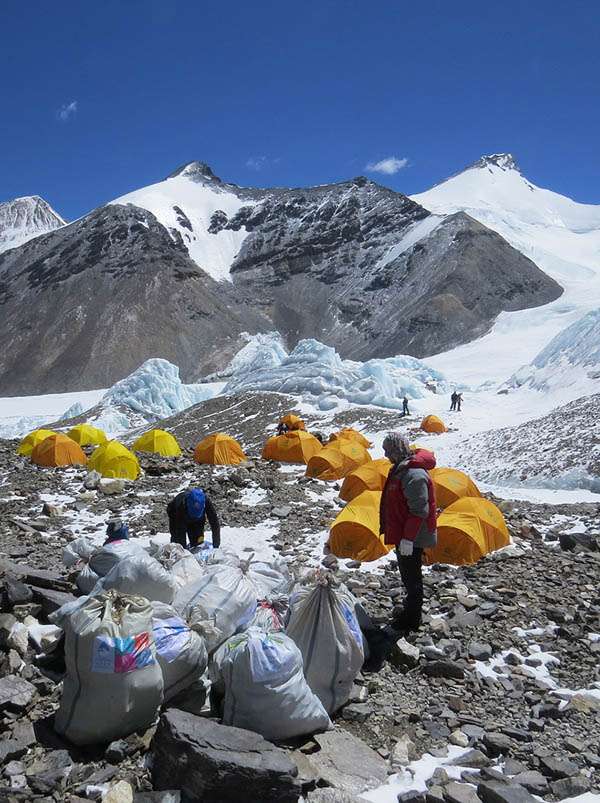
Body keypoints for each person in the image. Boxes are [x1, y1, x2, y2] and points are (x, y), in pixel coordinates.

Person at [380, 433, 437, 633]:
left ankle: (411, 619)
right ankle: (409, 611)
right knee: (408, 575)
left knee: (412, 577)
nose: (386, 455)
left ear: (397, 450)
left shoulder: (414, 474)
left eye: (389, 451)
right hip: (406, 534)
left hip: (413, 536)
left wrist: (408, 539)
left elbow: (420, 510)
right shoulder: (402, 468)